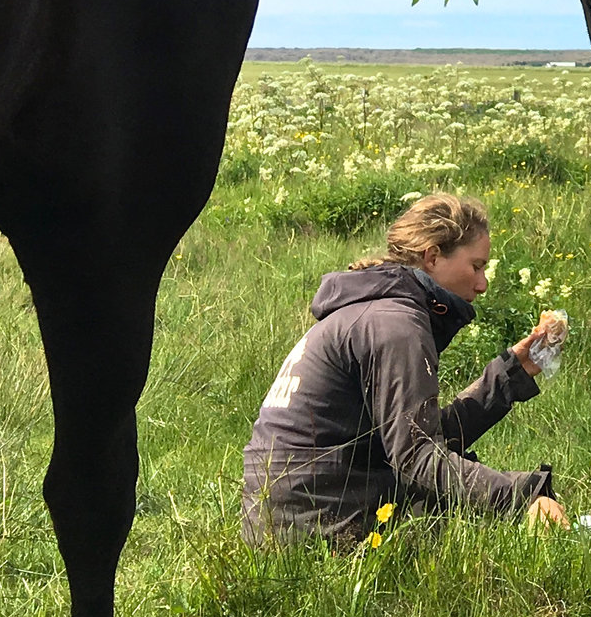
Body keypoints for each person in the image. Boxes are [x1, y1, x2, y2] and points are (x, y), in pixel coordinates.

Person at [242, 192, 570, 544]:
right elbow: (417, 456)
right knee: (467, 530)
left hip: (284, 518)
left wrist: (509, 376)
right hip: (317, 527)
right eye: (476, 266)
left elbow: (413, 439)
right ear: (432, 257)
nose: (483, 284)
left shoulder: (370, 311)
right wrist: (521, 498)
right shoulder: (397, 324)